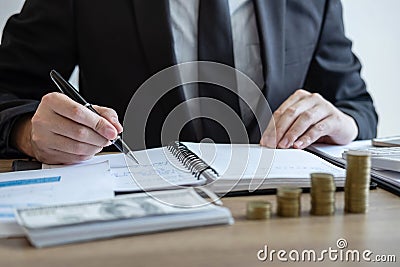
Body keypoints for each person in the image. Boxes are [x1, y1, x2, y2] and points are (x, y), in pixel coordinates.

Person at [0, 0, 377, 164]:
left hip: (276, 221)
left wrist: (344, 122)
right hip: (132, 225)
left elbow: (356, 104)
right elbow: (7, 88)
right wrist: (26, 134)